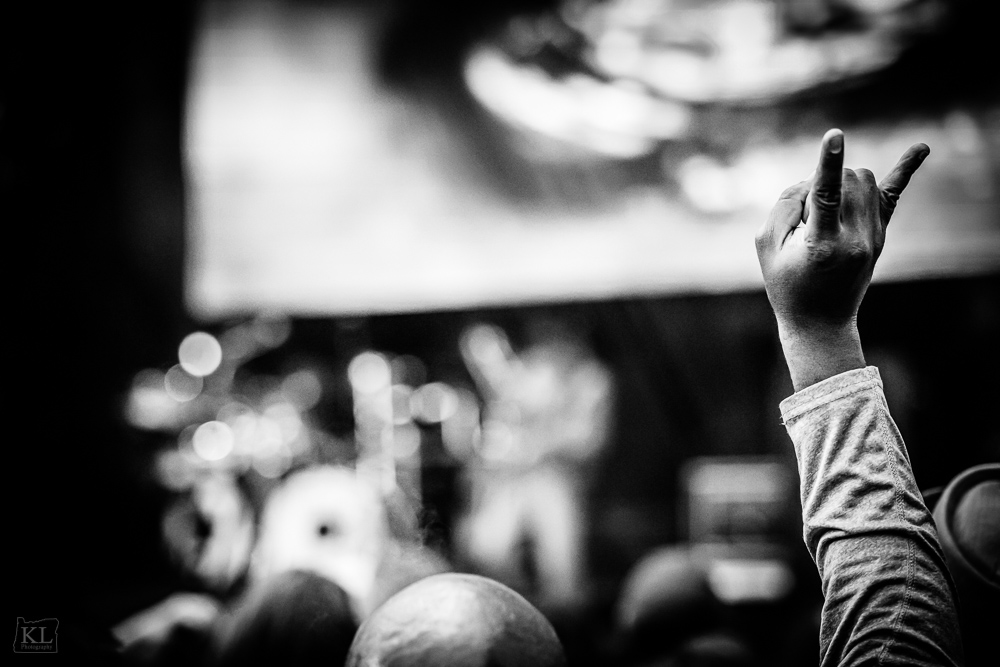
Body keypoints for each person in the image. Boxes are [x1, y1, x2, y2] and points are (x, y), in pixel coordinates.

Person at [755, 128, 965, 665]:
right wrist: (821, 334)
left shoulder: (892, 368)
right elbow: (896, 613)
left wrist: (815, 332)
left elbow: (893, 606)